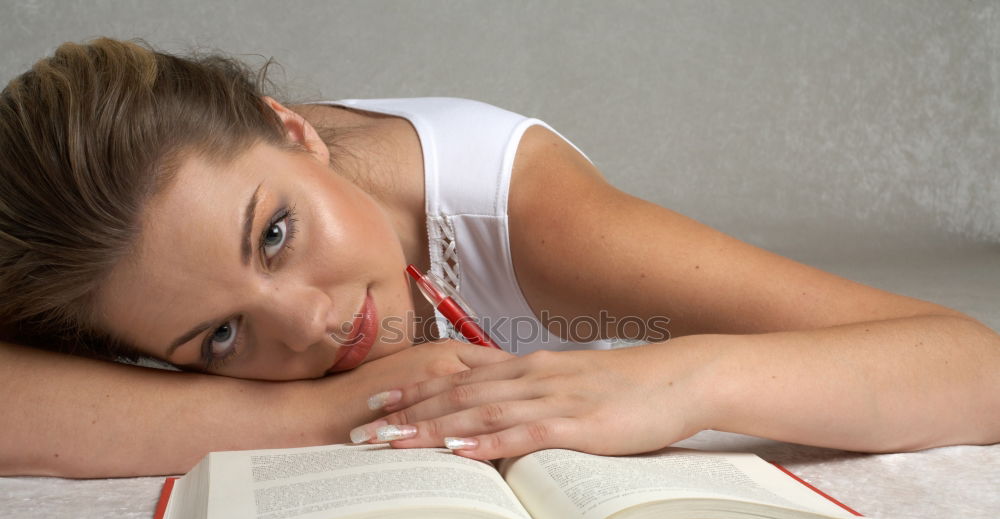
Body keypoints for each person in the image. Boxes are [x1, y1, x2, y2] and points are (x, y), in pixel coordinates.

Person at [1, 38, 997, 478]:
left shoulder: (520, 213)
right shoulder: (133, 271)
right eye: (220, 335)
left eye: (274, 234)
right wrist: (321, 409)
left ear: (293, 131)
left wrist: (682, 378)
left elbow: (972, 365)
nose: (305, 323)